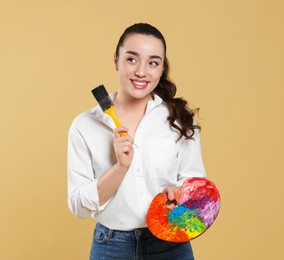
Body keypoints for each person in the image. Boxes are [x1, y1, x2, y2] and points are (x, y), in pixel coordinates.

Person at [67, 23, 206, 259]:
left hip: (171, 241)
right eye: (132, 59)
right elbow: (78, 206)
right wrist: (120, 168)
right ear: (116, 61)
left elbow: (196, 184)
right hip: (111, 246)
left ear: (161, 69)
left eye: (153, 62)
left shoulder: (179, 119)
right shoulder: (85, 126)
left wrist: (180, 195)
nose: (141, 72)